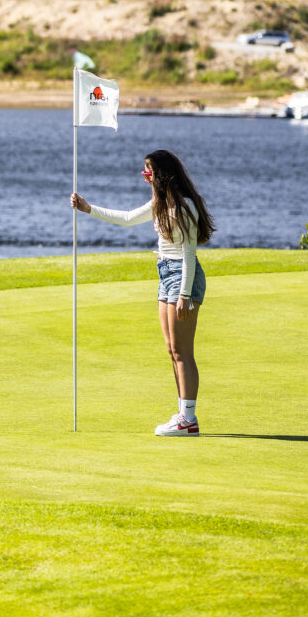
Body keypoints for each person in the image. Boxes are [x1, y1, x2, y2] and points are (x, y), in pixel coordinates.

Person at [73, 147, 215, 436]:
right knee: (172, 349)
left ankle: (188, 420)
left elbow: (189, 254)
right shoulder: (160, 202)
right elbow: (126, 218)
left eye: (148, 170)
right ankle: (182, 415)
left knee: (183, 351)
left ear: (161, 174)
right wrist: (88, 209)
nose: (145, 175)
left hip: (182, 277)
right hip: (165, 274)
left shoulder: (183, 206)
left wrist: (185, 295)